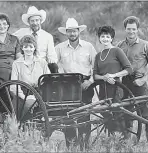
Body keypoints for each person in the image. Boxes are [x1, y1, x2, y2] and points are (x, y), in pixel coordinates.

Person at [55, 18, 97, 149]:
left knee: (84, 115)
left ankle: (85, 146)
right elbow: (53, 65)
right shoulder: (59, 48)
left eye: (74, 31)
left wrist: (90, 81)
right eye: (69, 32)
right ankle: (71, 146)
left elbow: (96, 66)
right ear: (66, 33)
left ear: (79, 32)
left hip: (84, 83)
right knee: (68, 115)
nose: (72, 34)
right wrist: (61, 76)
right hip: (66, 84)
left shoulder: (88, 47)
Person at [117, 16, 148, 146]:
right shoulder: (119, 46)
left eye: (134, 29)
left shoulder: (146, 46)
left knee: (146, 115)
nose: (131, 32)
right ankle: (127, 144)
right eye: (129, 29)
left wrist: (143, 79)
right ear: (125, 29)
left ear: (137, 29)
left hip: (139, 83)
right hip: (124, 83)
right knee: (125, 113)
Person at [93, 25, 133, 137]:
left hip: (116, 88)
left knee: (117, 112)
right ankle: (112, 138)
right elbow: (95, 76)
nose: (105, 39)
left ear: (111, 38)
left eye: (107, 36)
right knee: (105, 113)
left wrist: (114, 75)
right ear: (99, 38)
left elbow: (129, 69)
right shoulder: (98, 56)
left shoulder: (117, 51)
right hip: (103, 89)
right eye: (102, 36)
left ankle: (124, 138)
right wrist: (104, 77)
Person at [10, 35, 51, 119]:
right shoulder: (16, 63)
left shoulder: (42, 62)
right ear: (22, 48)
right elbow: (13, 86)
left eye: (31, 47)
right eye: (25, 47)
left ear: (34, 48)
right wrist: (25, 97)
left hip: (39, 92)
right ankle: (24, 125)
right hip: (22, 92)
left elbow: (48, 80)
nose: (28, 49)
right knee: (26, 106)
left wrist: (38, 96)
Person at [13, 6, 59, 73]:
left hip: (42, 65)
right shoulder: (21, 33)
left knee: (54, 67)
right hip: (25, 65)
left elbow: (52, 56)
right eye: (32, 21)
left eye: (37, 20)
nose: (35, 23)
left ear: (40, 21)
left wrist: (51, 61)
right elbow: (10, 37)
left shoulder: (48, 36)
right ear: (28, 22)